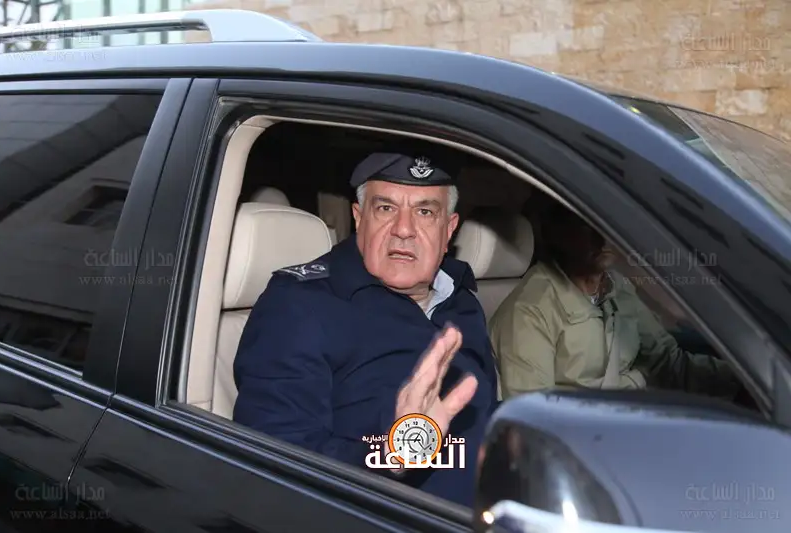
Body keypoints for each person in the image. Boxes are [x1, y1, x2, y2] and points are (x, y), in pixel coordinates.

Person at [232, 151, 498, 507]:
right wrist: (395, 453)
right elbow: (276, 464)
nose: (404, 229)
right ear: (359, 218)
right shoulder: (300, 305)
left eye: (425, 212)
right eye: (385, 208)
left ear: (448, 229)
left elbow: (482, 416)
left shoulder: (461, 300)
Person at [488, 205, 740, 399]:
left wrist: (742, 382)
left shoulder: (617, 288)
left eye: (608, 222)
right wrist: (638, 380)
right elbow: (536, 421)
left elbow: (669, 365)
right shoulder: (530, 311)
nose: (603, 237)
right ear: (557, 233)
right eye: (587, 224)